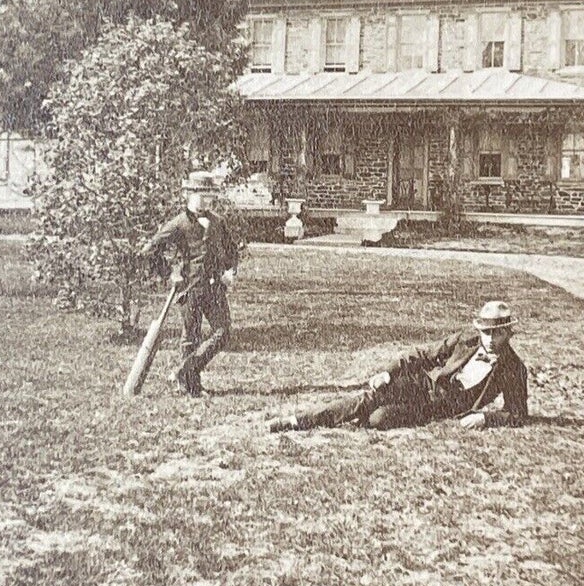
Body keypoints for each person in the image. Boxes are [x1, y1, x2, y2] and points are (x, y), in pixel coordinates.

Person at [270, 299, 528, 432]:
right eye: (486, 332)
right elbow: (422, 354)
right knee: (370, 396)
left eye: (497, 333)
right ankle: (297, 421)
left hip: (437, 408)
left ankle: (345, 415)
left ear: (508, 333)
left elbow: (518, 413)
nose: (491, 340)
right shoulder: (466, 339)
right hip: (422, 384)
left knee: (378, 419)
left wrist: (485, 417)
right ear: (479, 331)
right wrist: (388, 372)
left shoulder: (513, 368)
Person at [144, 170, 239, 397]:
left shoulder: (217, 221)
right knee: (191, 337)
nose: (207, 200)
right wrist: (168, 275)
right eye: (202, 194)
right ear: (190, 194)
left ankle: (183, 371)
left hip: (215, 287)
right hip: (190, 288)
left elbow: (232, 251)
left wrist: (230, 271)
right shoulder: (178, 224)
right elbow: (150, 250)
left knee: (223, 332)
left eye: (210, 195)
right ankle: (191, 385)